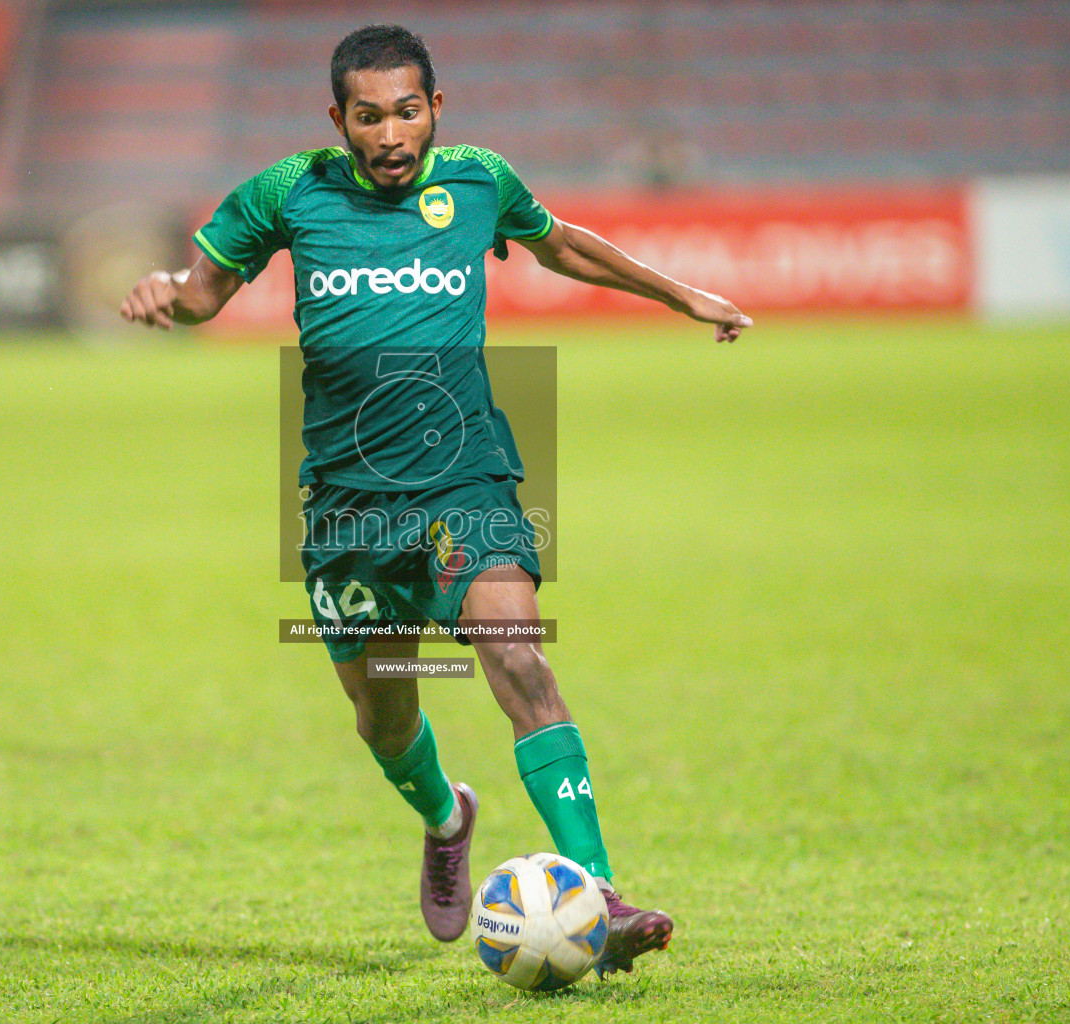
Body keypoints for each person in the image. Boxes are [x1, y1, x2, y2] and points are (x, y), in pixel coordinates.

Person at [120, 24, 750, 977]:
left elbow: (565, 245)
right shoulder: (287, 193)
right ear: (339, 119)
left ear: (436, 109)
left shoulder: (480, 182)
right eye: (368, 116)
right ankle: (446, 816)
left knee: (520, 658)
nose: (389, 133)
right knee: (383, 719)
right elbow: (206, 291)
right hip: (347, 508)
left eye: (407, 111)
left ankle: (600, 895)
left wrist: (680, 295)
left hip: (466, 478)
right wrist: (168, 290)